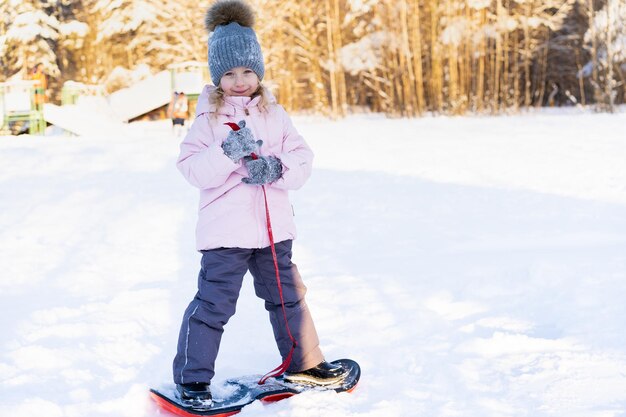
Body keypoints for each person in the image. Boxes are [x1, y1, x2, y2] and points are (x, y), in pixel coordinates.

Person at [172, 0, 346, 404]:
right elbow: (192, 169)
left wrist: (276, 168)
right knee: (214, 304)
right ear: (218, 76)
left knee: (288, 298)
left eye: (247, 70)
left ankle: (304, 363)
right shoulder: (208, 120)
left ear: (259, 71)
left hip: (273, 230)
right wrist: (227, 151)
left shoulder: (276, 114)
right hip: (226, 233)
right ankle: (192, 378)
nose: (239, 80)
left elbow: (303, 160)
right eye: (229, 73)